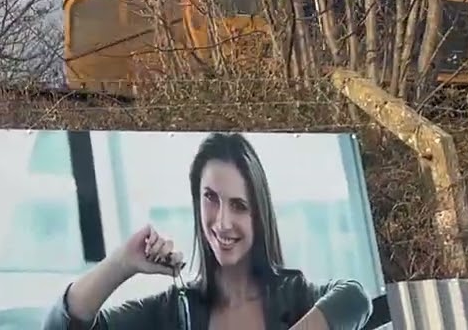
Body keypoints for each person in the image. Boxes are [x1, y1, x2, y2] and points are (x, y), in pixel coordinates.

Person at [42, 132, 373, 330]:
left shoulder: (296, 293)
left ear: (259, 215)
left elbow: (355, 298)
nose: (223, 222)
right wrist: (122, 263)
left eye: (240, 206)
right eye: (211, 199)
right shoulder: (173, 310)